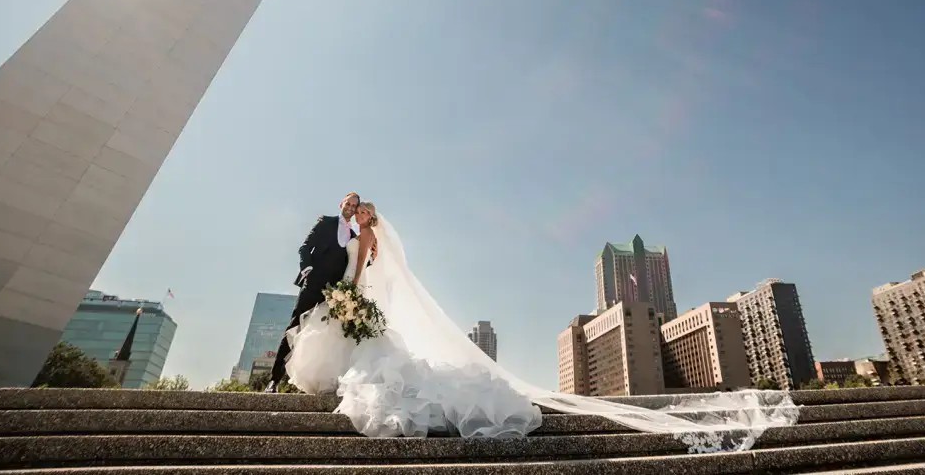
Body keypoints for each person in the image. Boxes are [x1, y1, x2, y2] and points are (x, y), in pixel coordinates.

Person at [280, 199, 799, 450]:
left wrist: (356, 276)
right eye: (358, 210)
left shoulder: (369, 244)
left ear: (374, 221)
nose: (362, 216)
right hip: (340, 301)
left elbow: (364, 272)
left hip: (352, 300)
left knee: (370, 364)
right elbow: (325, 256)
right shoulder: (334, 227)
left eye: (367, 213)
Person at [266, 192, 362, 391]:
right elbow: (305, 247)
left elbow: (354, 264)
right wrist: (307, 268)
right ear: (341, 204)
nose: (351, 208)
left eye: (354, 205)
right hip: (313, 285)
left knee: (327, 337)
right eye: (348, 203)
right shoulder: (325, 222)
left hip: (335, 294)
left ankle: (319, 383)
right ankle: (274, 380)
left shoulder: (354, 236)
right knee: (294, 327)